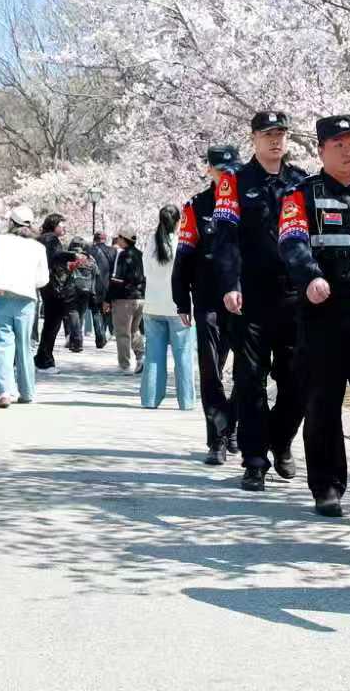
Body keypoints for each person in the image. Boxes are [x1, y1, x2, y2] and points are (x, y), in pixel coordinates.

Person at [279, 116, 350, 522]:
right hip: (323, 315)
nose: (349, 152)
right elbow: (292, 242)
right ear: (321, 150)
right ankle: (327, 486)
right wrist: (310, 276)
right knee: (323, 403)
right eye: (339, 144)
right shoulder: (301, 194)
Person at [213, 110, 309, 491]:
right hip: (250, 295)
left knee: (297, 379)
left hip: (293, 295)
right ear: (253, 139)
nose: (275, 140)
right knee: (250, 378)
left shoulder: (300, 180)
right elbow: (225, 238)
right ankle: (254, 460)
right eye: (268, 134)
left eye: (281, 134)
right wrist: (229, 283)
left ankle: (281, 439)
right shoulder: (235, 182)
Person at [173, 144, 239, 464]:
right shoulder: (196, 205)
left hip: (245, 298)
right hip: (208, 299)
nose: (225, 175)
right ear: (209, 170)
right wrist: (181, 299)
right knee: (211, 369)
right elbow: (184, 253)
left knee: (249, 370)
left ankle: (233, 423)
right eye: (220, 169)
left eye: (231, 169)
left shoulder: (249, 199)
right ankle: (217, 437)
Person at [0, 204, 47, 406]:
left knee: (3, 344)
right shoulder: (38, 247)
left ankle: (4, 391)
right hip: (26, 299)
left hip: (2, 295)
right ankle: (27, 391)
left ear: (11, 223)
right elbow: (43, 279)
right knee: (24, 345)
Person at [140, 206, 197, 410]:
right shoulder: (182, 242)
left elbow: (145, 271)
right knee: (183, 357)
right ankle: (186, 401)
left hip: (152, 305)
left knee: (153, 356)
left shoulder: (151, 242)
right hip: (178, 307)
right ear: (179, 221)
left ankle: (150, 399)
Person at [34, 214, 77, 369]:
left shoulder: (42, 238)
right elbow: (55, 257)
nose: (64, 227)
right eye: (61, 224)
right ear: (54, 225)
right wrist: (73, 255)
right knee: (52, 323)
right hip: (53, 286)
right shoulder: (51, 239)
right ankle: (44, 359)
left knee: (51, 322)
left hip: (47, 284)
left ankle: (42, 356)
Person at [104, 231, 146, 373]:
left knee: (122, 332)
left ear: (124, 239)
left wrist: (107, 299)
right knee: (134, 329)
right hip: (140, 297)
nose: (117, 240)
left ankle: (124, 365)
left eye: (119, 238)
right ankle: (141, 357)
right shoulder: (141, 255)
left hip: (124, 298)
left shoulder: (122, 255)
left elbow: (116, 279)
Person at [87, 231, 115, 349]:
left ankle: (100, 337)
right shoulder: (112, 251)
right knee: (106, 310)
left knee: (96, 311)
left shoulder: (89, 250)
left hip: (93, 285)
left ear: (95, 239)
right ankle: (104, 334)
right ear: (105, 239)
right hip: (108, 286)